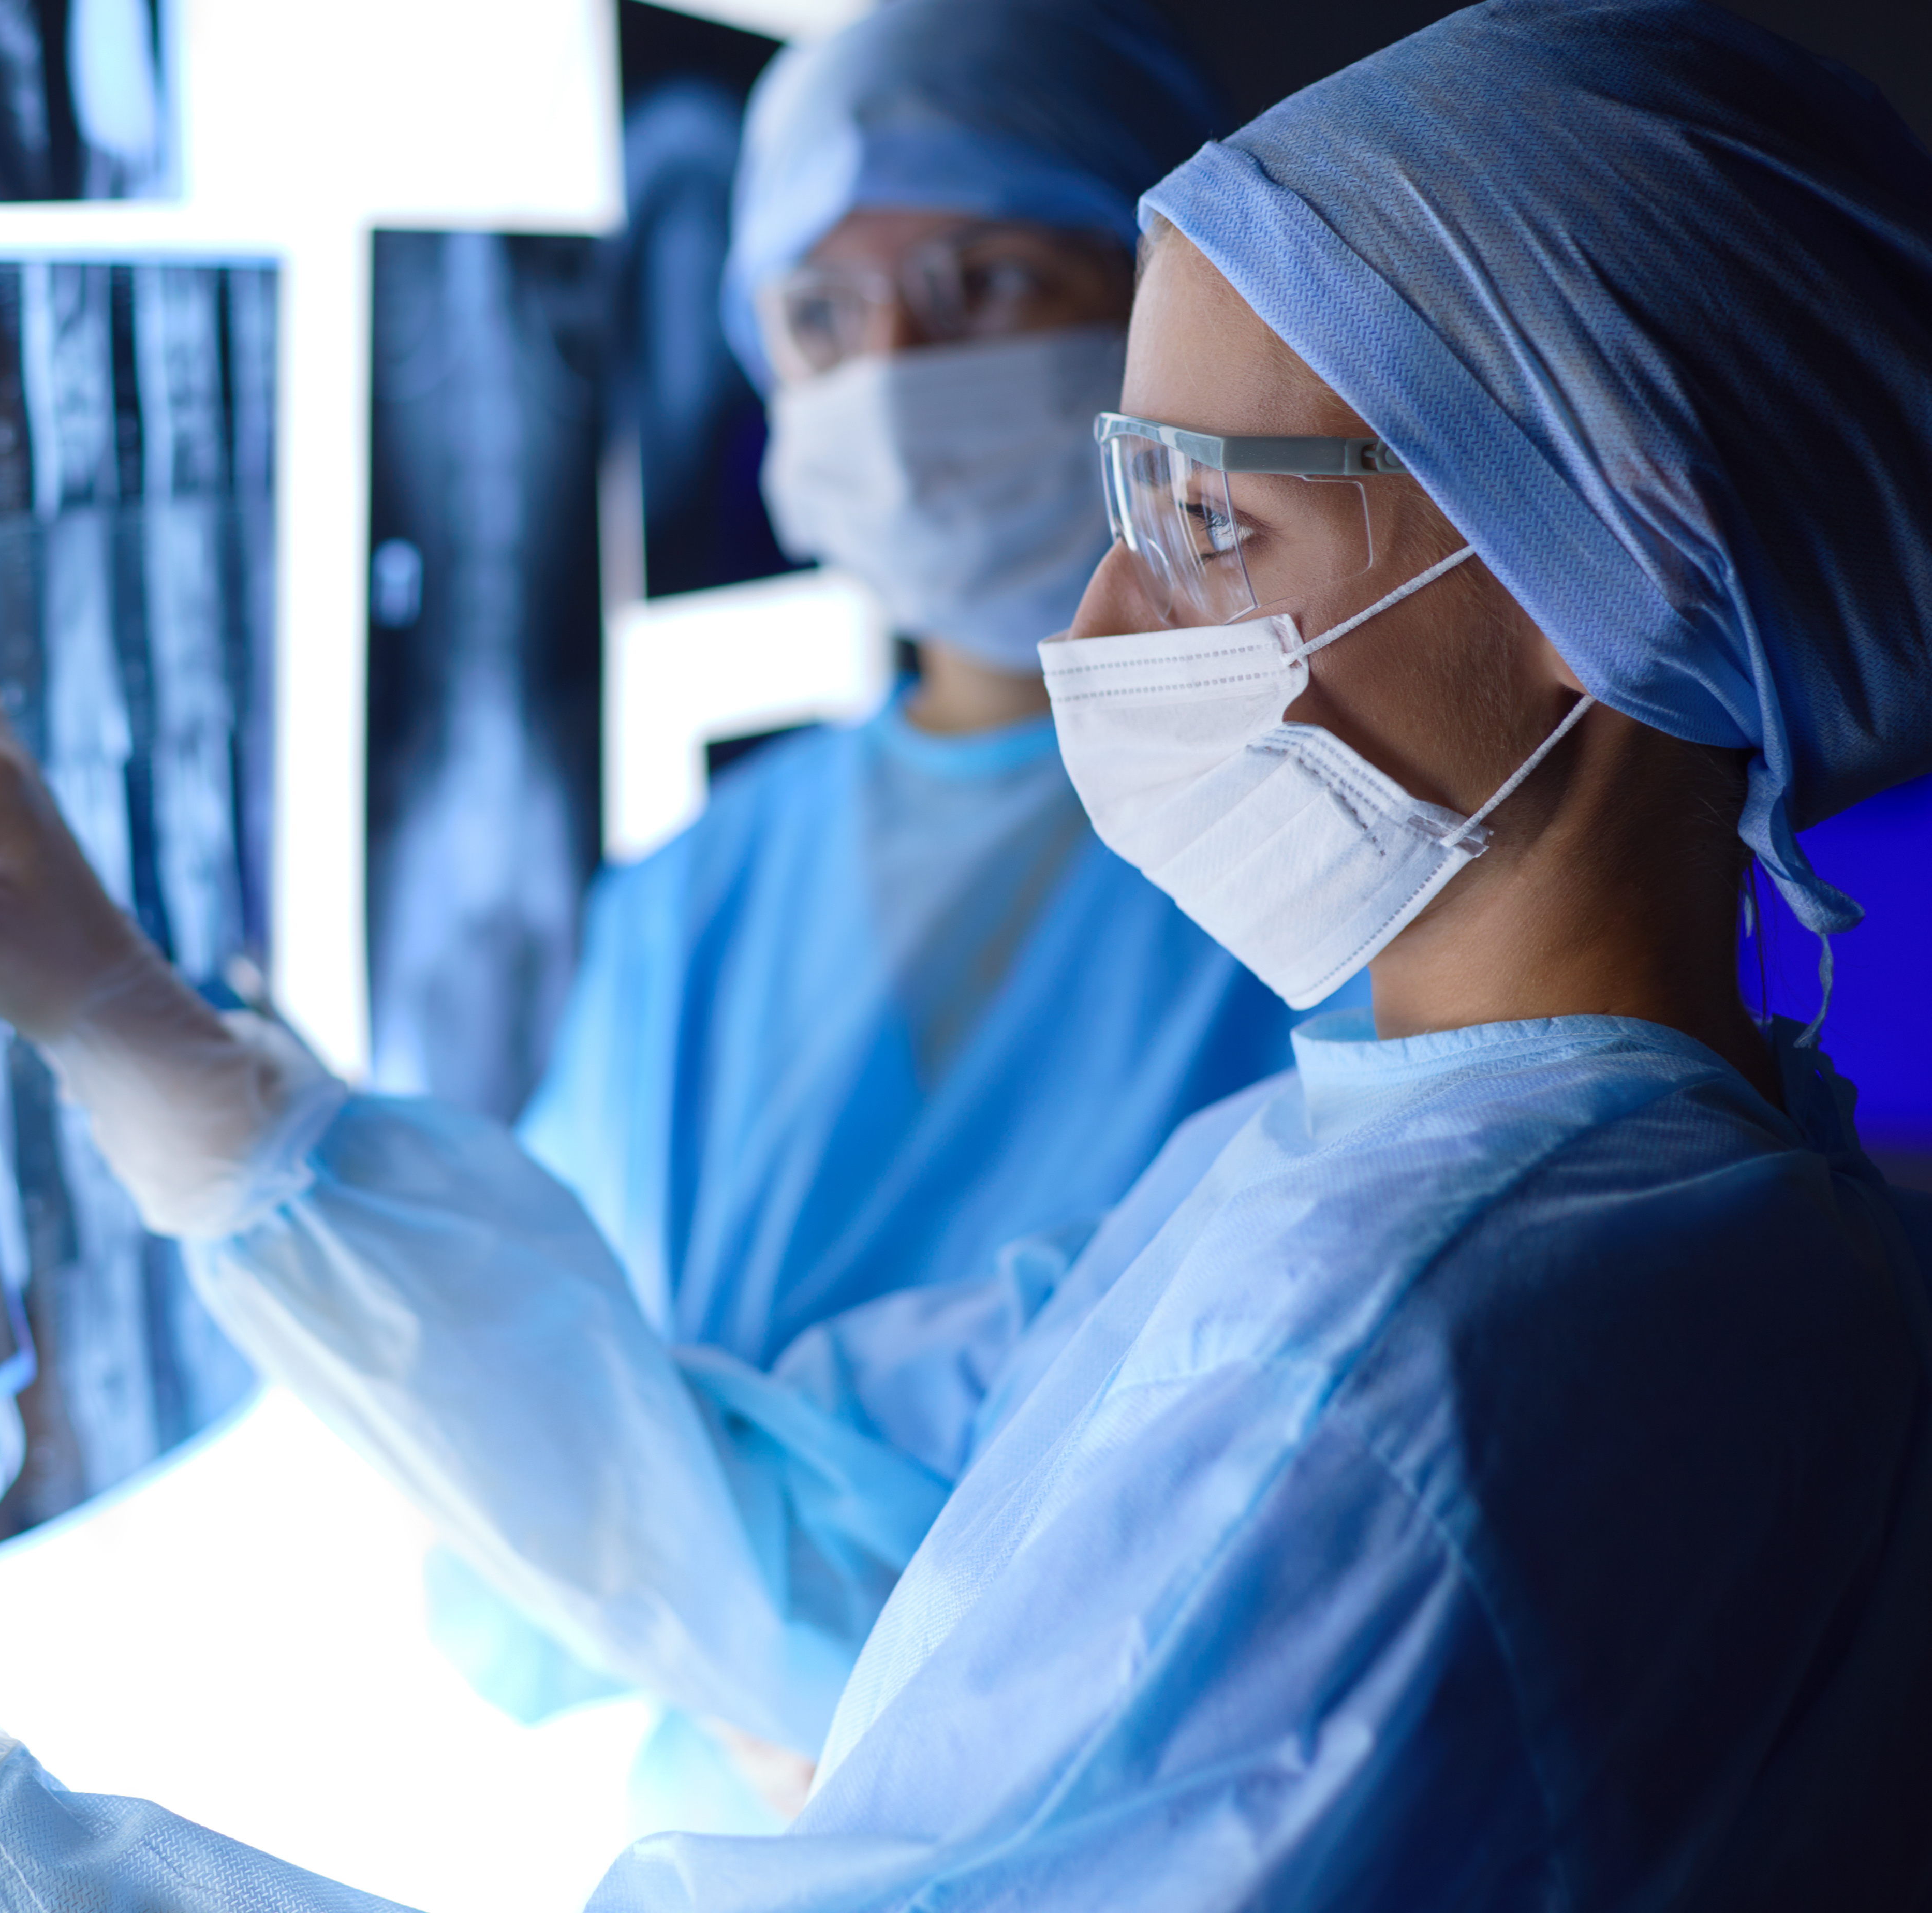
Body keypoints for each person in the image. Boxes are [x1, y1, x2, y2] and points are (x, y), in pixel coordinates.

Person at [0, 0, 1932, 1903]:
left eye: (1206, 528)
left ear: (1597, 577)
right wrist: (166, 1064)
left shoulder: (1455, 1355)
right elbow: (778, 1526)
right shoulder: (1544, 1196)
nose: (1100, 625)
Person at [449, 0, 1321, 1818]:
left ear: (1163, 300)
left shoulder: (1340, 827)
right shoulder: (691, 900)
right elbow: (500, 1511)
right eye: (823, 319)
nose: (897, 383)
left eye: (986, 282)